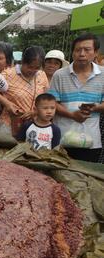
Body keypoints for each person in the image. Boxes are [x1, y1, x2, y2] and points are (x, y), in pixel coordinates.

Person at [49, 33, 104, 163]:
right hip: (62, 140)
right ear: (72, 52)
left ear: (95, 52)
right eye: (78, 50)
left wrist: (94, 108)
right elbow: (52, 103)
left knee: (87, 179)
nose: (82, 54)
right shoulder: (60, 75)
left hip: (91, 141)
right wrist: (72, 115)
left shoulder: (103, 74)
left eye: (87, 49)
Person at [0, 46, 50, 136]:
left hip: (34, 126)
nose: (32, 70)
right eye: (30, 66)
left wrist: (35, 112)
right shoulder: (8, 74)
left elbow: (47, 99)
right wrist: (7, 103)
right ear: (23, 61)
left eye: (37, 67)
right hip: (9, 124)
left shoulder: (42, 75)